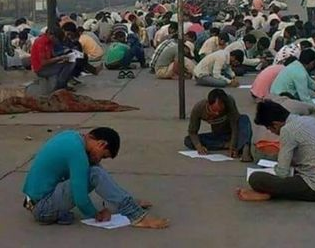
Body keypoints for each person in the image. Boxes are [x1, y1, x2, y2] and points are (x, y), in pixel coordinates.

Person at [22, 127, 168, 228]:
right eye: (103, 155)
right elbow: (80, 199)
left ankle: (123, 201)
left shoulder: (73, 138)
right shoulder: (77, 152)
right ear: (101, 143)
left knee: (93, 167)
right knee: (95, 172)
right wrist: (96, 214)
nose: (100, 159)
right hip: (43, 208)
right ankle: (136, 216)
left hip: (37, 202)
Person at [238, 100, 315, 202]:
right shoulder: (311, 120)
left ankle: (268, 194)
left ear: (276, 124)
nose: (271, 132)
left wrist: (273, 169)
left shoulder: (287, 130)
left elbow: (282, 172)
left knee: (256, 178)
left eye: (270, 129)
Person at [184, 89, 253, 161]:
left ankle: (245, 148)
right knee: (188, 140)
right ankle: (226, 145)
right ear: (208, 104)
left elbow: (234, 126)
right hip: (219, 136)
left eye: (220, 111)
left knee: (244, 118)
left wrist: (233, 146)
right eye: (214, 110)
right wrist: (199, 146)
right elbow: (192, 132)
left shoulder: (229, 101)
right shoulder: (199, 108)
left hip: (235, 134)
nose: (217, 113)